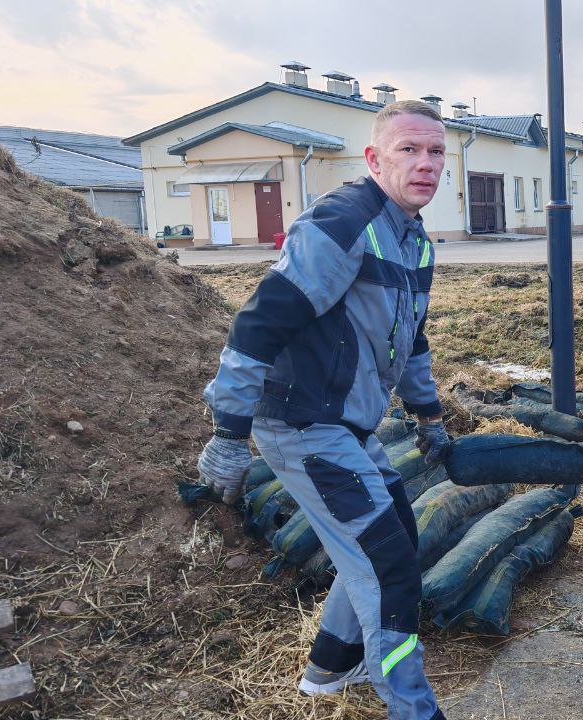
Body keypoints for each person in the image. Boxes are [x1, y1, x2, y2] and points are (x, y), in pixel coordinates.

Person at [196, 100, 450, 719]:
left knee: (392, 537)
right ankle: (413, 709)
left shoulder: (411, 239)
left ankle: (332, 668)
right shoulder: (344, 223)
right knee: (387, 566)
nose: (425, 163)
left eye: (436, 152)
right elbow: (259, 324)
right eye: (409, 150)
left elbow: (411, 339)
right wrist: (228, 431)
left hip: (346, 425)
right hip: (302, 425)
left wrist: (429, 415)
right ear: (374, 159)